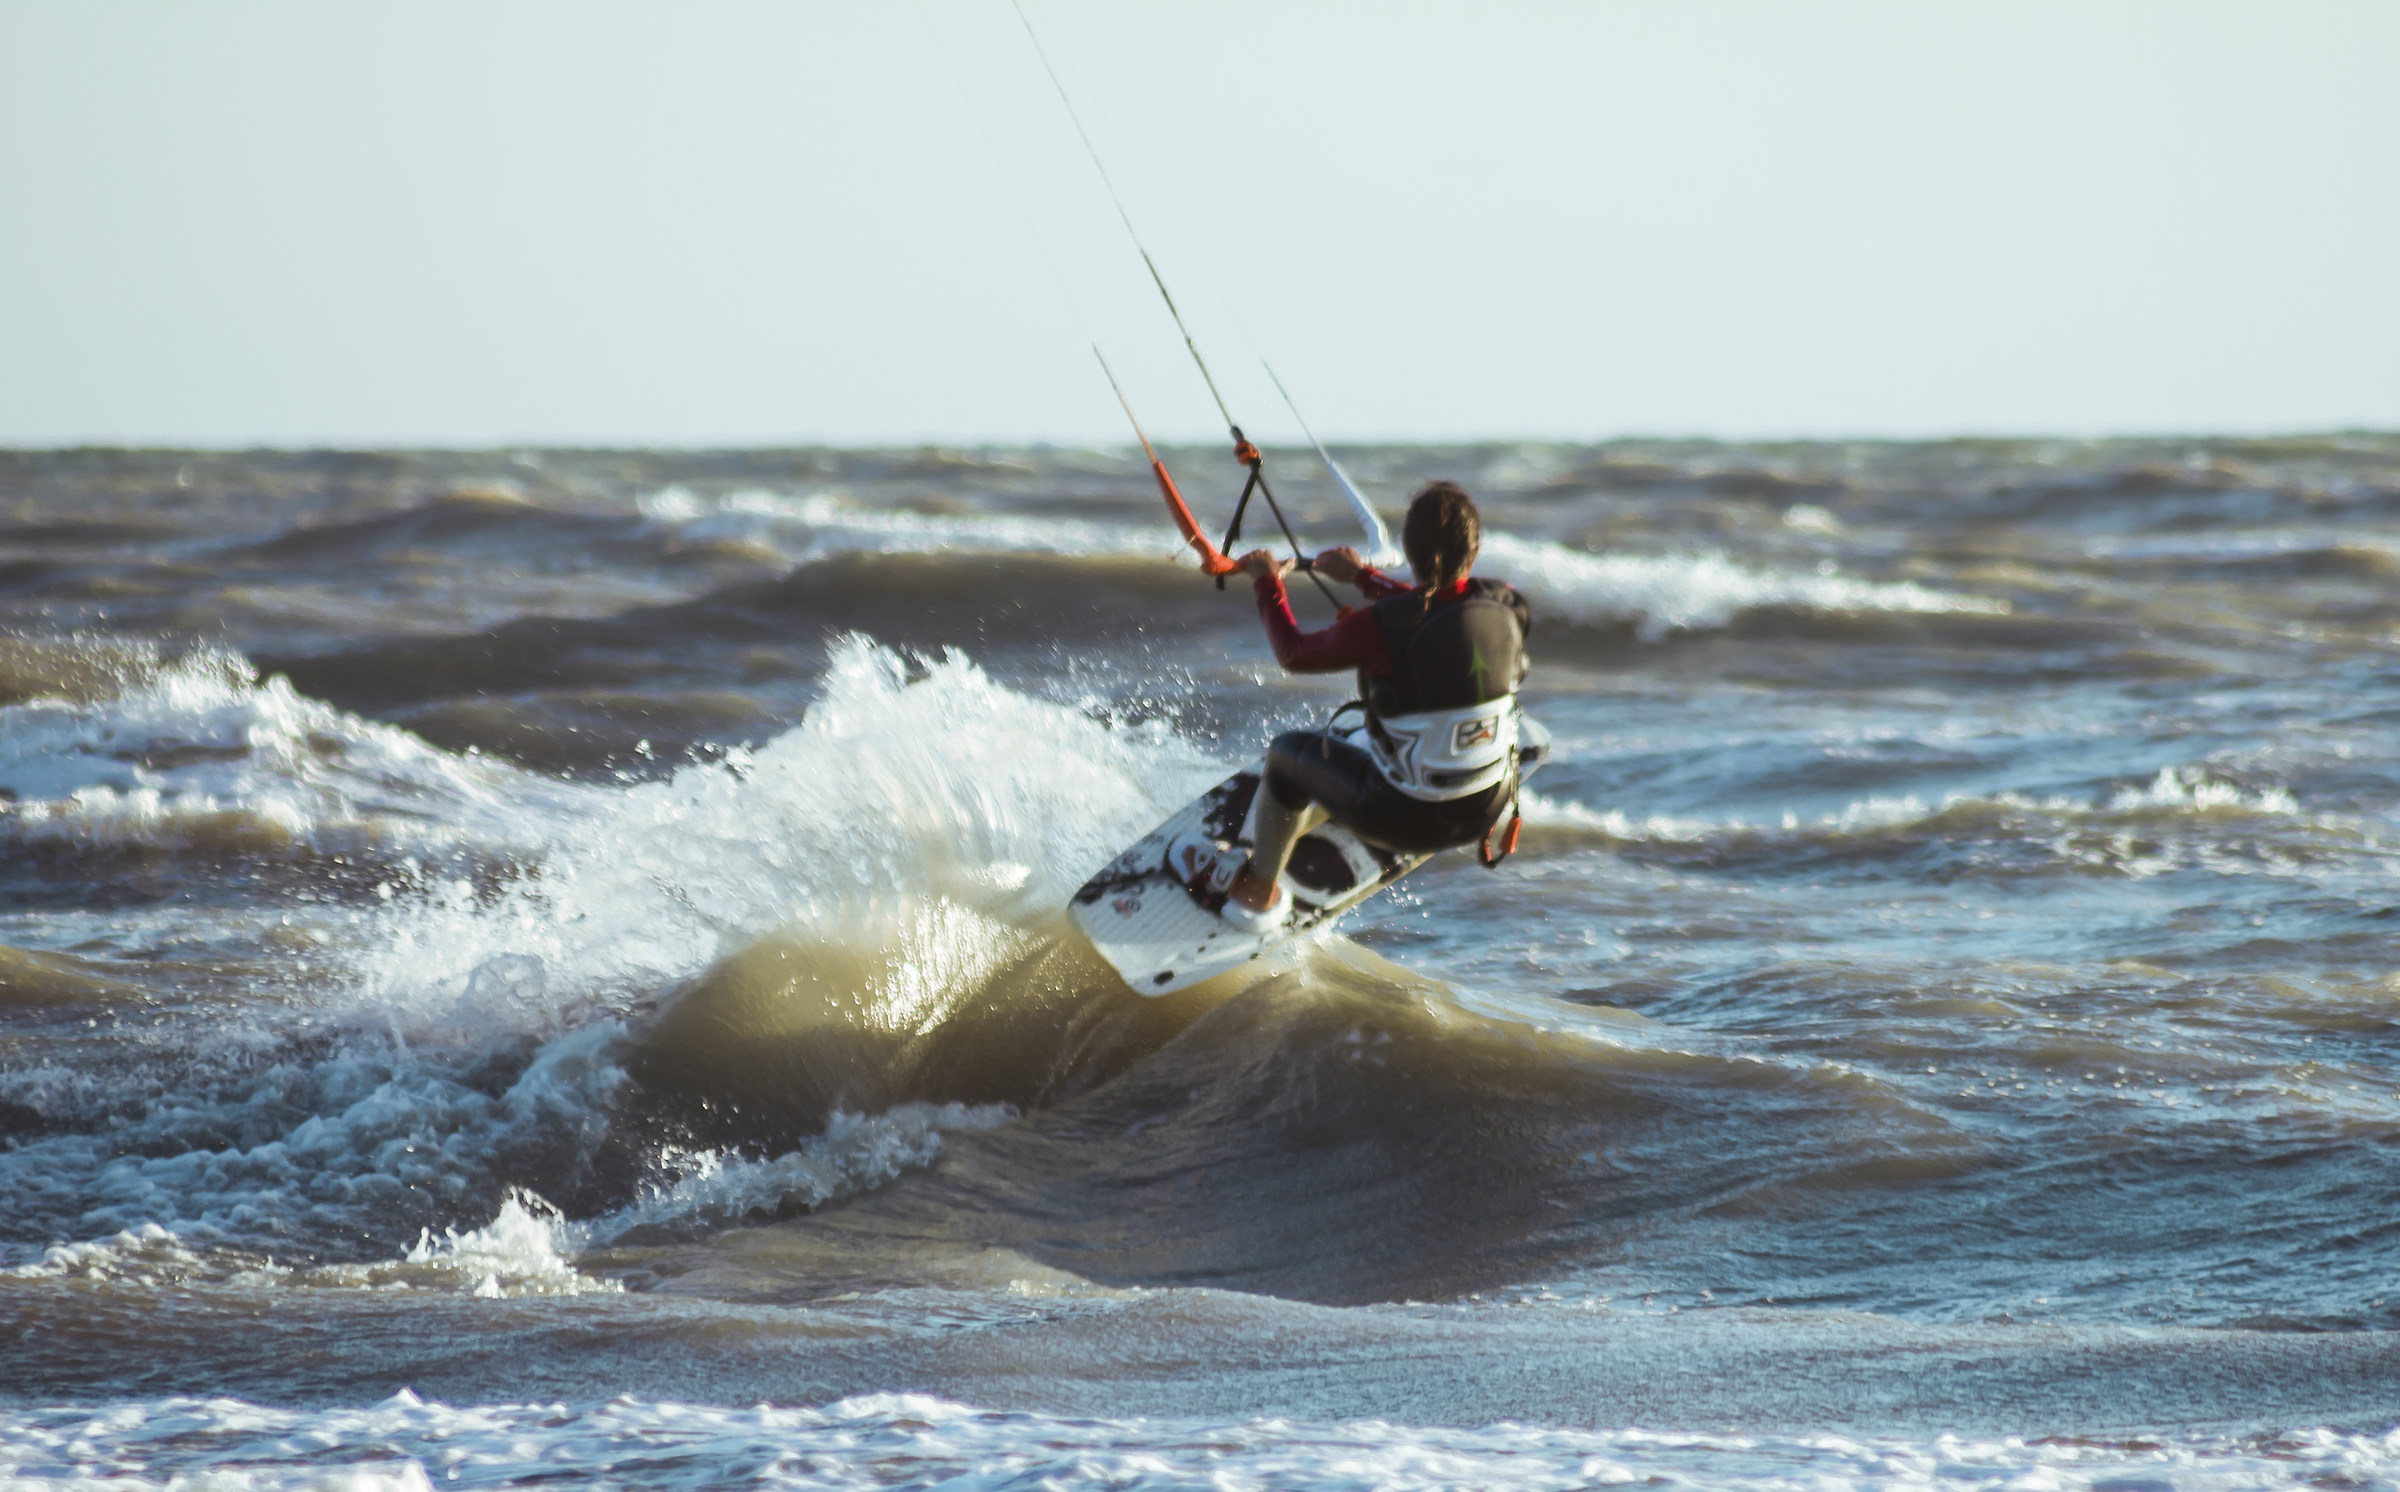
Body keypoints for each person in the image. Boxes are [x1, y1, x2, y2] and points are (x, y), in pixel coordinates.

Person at [1179, 480, 1532, 930]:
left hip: (1405, 819)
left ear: (1408, 547)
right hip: (1485, 808)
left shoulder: (1379, 627)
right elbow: (1442, 611)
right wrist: (1365, 579)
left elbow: (1294, 653)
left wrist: (1267, 582)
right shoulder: (1508, 603)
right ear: (1476, 548)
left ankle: (1257, 891)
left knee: (1288, 754)